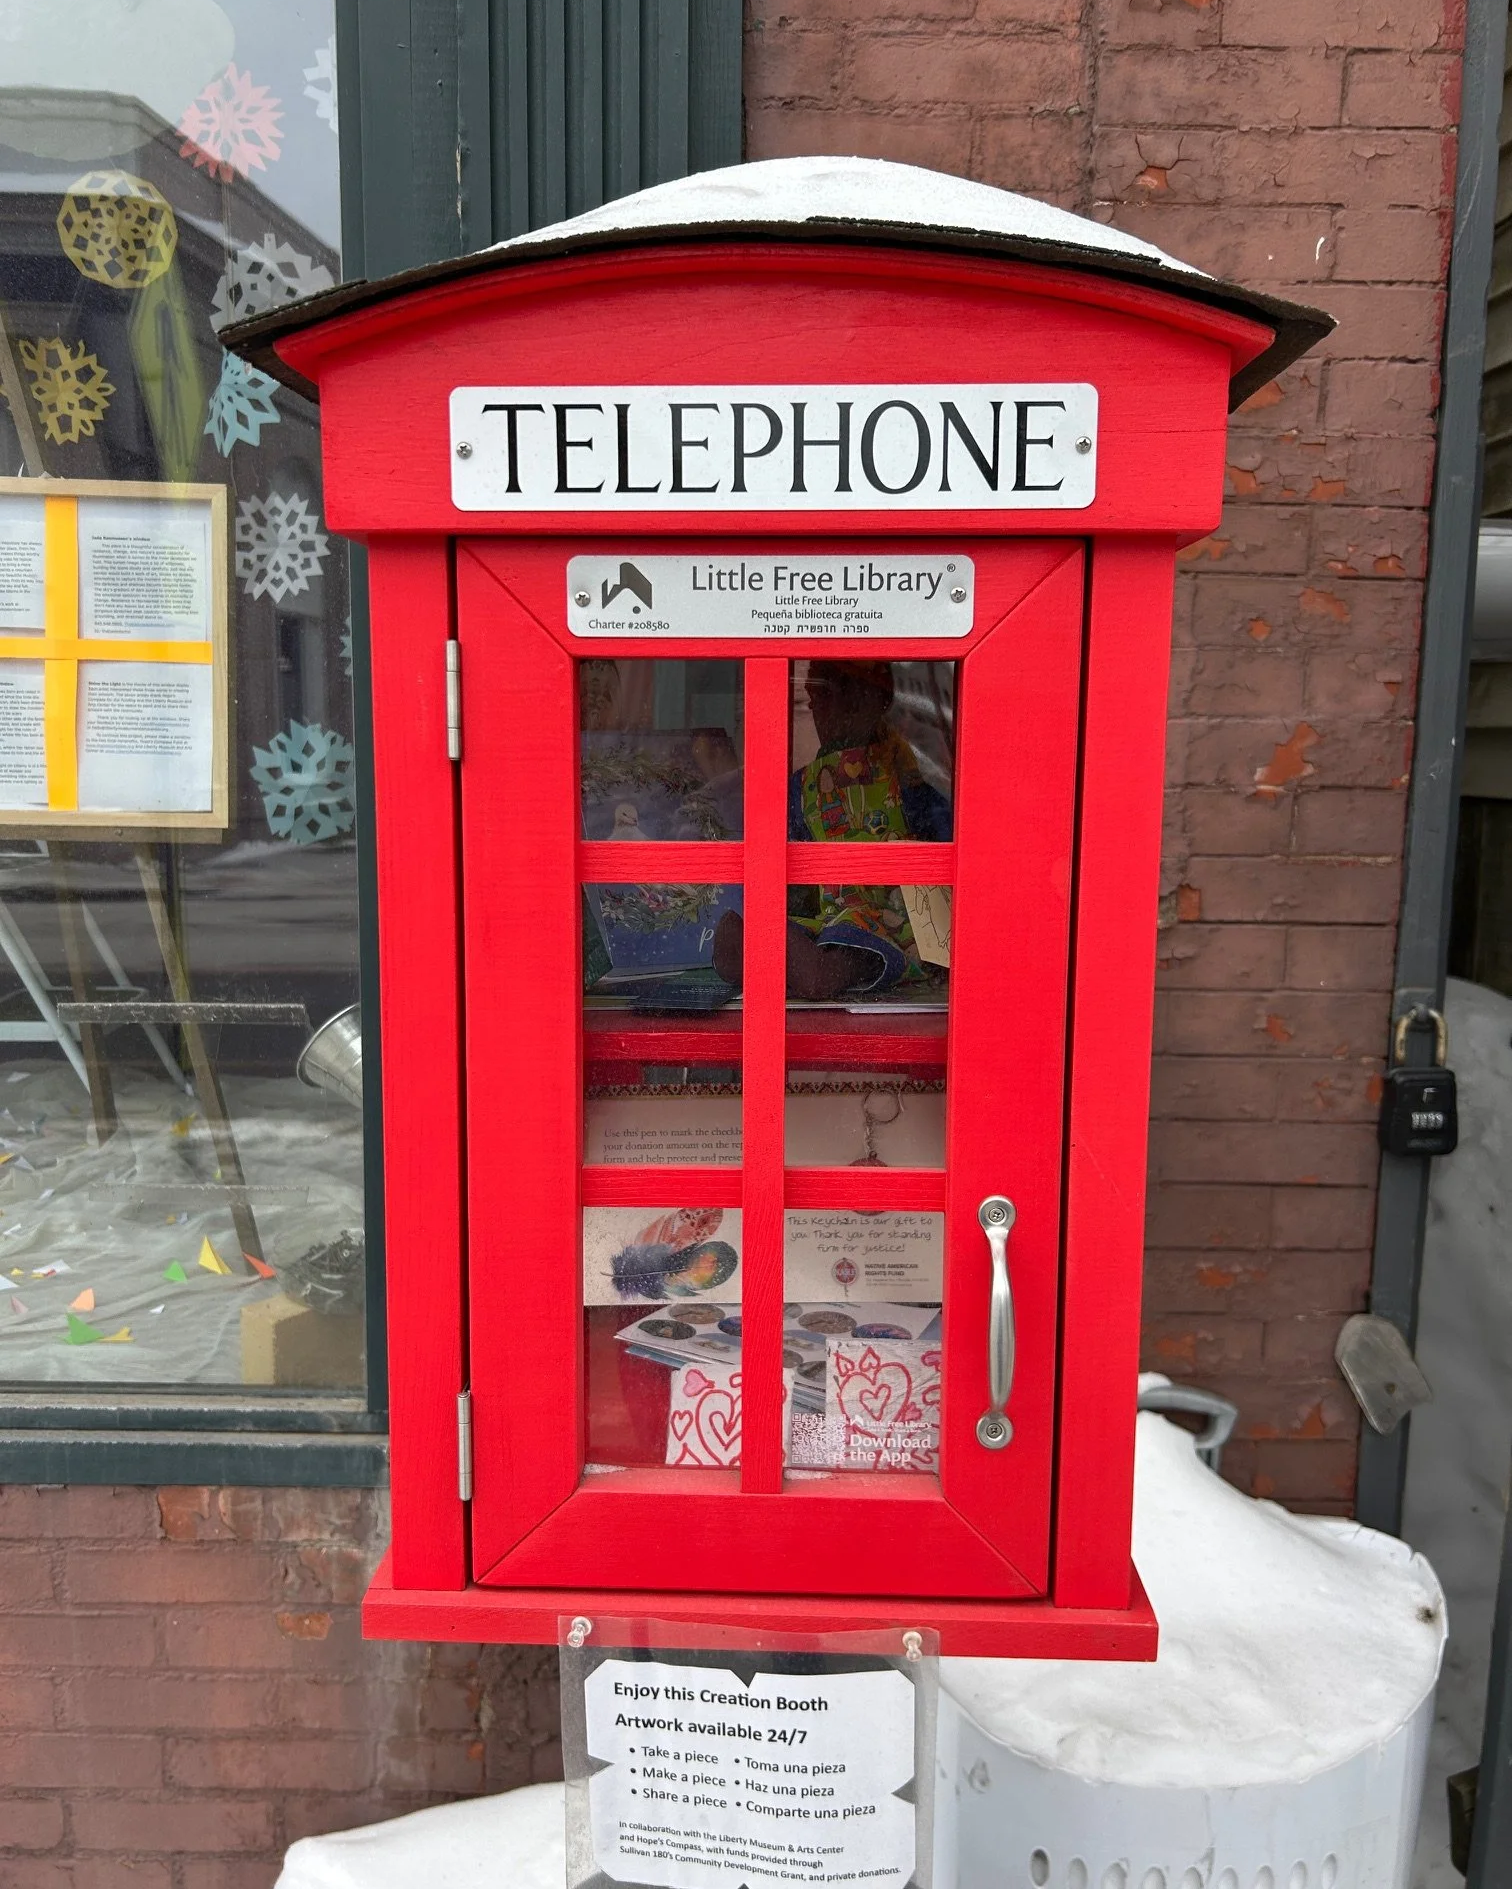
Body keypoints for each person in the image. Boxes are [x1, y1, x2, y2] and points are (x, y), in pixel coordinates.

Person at [714, 661, 951, 999]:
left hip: (898, 918)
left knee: (858, 946)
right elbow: (783, 850)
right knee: (828, 931)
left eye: (849, 696)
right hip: (832, 911)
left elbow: (943, 844)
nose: (832, 711)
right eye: (818, 698)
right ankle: (762, 943)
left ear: (881, 701)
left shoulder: (909, 780)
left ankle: (801, 966)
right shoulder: (802, 786)